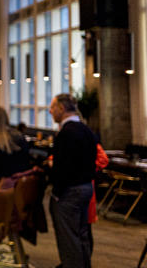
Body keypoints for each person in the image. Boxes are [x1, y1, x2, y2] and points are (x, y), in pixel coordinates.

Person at [48, 93, 97, 268]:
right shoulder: (87, 130)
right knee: (82, 236)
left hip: (70, 192)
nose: (50, 111)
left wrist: (56, 194)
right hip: (86, 188)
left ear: (61, 108)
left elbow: (64, 168)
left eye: (52, 107)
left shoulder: (66, 133)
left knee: (69, 241)